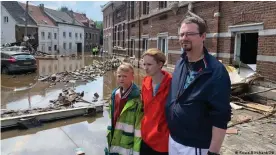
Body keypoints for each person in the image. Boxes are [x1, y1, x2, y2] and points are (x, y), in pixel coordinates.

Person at [165, 15, 231, 155]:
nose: (184, 38)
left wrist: (213, 152)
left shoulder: (215, 71)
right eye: (182, 34)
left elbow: (221, 115)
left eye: (190, 34)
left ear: (203, 36)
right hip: (173, 139)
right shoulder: (180, 63)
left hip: (195, 146)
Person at [105, 63, 143, 155]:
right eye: (119, 76)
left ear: (132, 77)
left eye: (125, 76)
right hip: (115, 136)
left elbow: (139, 128)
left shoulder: (138, 98)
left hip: (128, 142)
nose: (121, 78)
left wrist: (136, 151)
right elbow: (112, 117)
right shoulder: (115, 94)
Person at [140, 48, 172, 155]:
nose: (145, 68)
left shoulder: (172, 83)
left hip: (162, 140)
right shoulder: (145, 82)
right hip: (146, 136)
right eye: (144, 64)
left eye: (149, 64)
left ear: (160, 64)